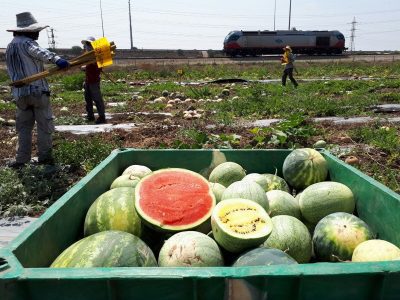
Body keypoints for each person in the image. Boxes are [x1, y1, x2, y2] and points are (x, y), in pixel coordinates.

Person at [6, 12, 69, 168]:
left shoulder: (10, 46)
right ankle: (45, 158)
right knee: (44, 125)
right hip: (37, 91)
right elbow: (41, 53)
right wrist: (57, 60)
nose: (38, 33)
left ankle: (21, 160)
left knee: (24, 127)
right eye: (36, 31)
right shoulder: (27, 43)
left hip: (20, 94)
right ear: (28, 30)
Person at [81, 37, 106, 124]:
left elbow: (98, 66)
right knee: (88, 99)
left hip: (94, 81)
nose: (87, 46)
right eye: (87, 44)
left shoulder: (97, 55)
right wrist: (85, 67)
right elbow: (88, 66)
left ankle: (102, 117)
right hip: (88, 80)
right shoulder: (88, 55)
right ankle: (90, 116)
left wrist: (88, 65)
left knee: (97, 99)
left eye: (89, 44)